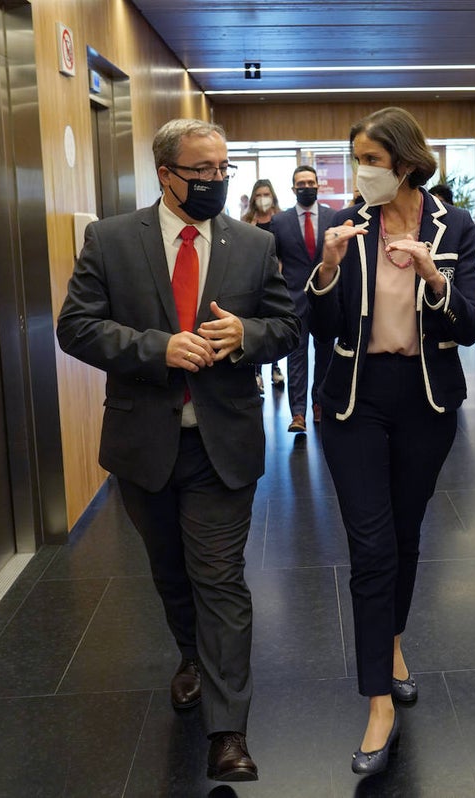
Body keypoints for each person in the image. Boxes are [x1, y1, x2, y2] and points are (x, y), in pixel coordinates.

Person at [57, 119, 299, 783]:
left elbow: (285, 326)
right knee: (171, 571)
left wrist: (244, 333)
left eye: (224, 169)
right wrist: (155, 348)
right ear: (166, 174)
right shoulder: (109, 240)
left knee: (219, 578)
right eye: (202, 172)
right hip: (144, 443)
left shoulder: (252, 244)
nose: (217, 182)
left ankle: (228, 730)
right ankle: (190, 655)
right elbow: (74, 328)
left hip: (223, 443)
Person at [307, 107, 475, 776]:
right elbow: (318, 323)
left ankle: (393, 643)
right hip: (353, 401)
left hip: (426, 400)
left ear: (407, 164)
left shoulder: (452, 224)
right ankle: (377, 700)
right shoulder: (344, 225)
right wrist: (325, 271)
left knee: (406, 535)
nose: (362, 173)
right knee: (372, 544)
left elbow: (469, 326)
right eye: (357, 159)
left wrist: (434, 278)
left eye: (373, 161)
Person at [270, 165, 337, 431]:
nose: (306, 187)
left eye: (311, 182)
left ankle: (319, 403)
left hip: (326, 297)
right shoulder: (280, 221)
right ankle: (298, 413)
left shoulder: (334, 217)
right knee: (296, 355)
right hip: (293, 298)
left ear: (318, 186)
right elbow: (274, 261)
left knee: (325, 353)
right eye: (301, 183)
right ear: (293, 188)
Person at [242, 179, 285, 392]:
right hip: (253, 281)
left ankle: (276, 368)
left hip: (278, 279)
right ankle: (257, 373)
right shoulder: (246, 221)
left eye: (266, 194)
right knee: (256, 327)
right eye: (259, 195)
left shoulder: (281, 219)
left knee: (274, 326)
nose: (263, 199)